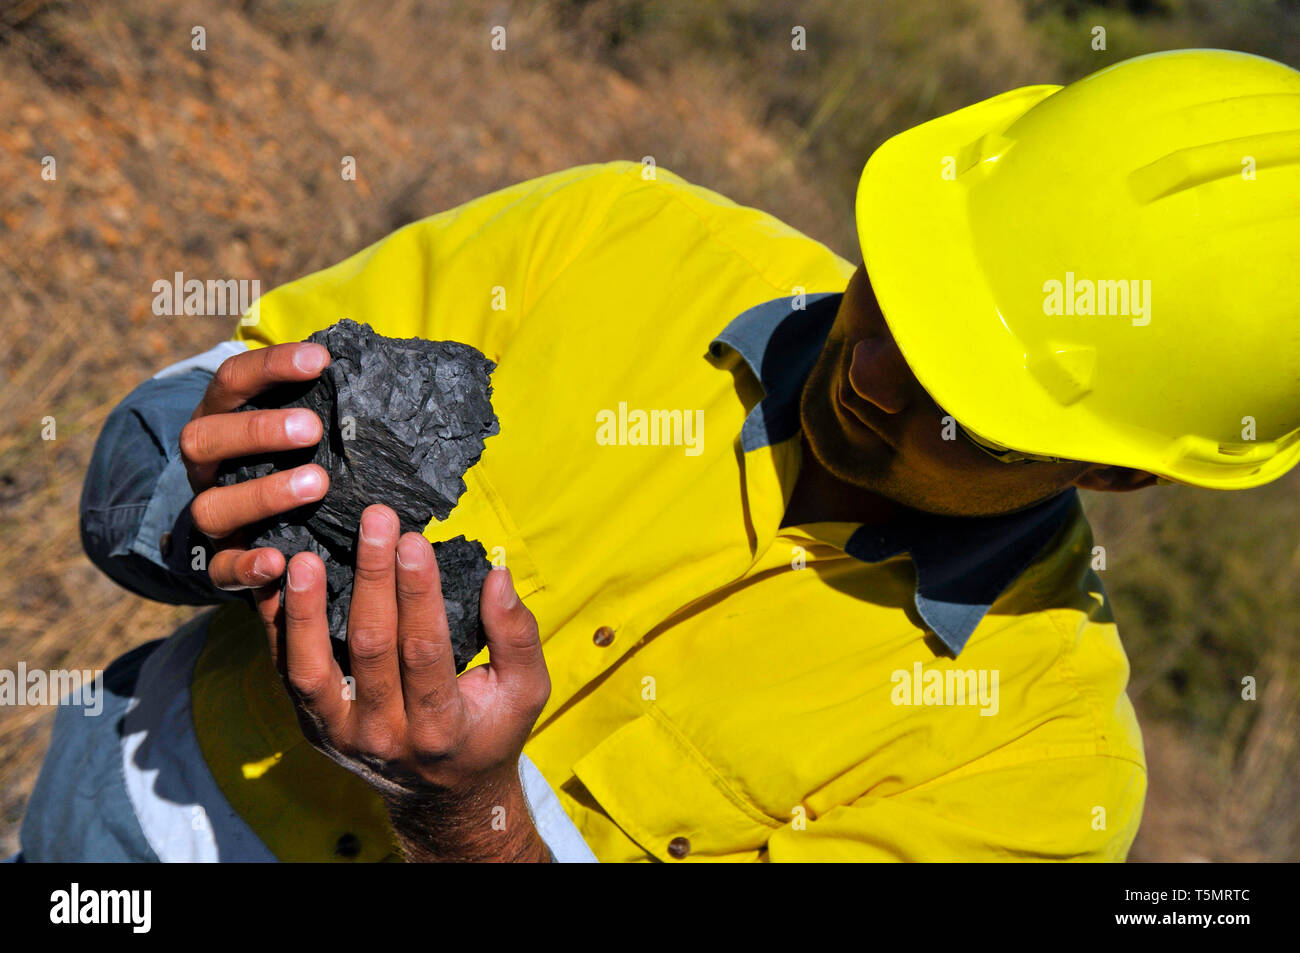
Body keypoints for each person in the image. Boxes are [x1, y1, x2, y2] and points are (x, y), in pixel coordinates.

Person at [19, 48, 1300, 862]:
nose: (869, 374)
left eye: (960, 397)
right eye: (897, 296)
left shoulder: (1033, 776)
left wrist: (468, 819)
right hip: (114, 819)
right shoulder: (618, 236)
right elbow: (167, 438)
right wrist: (190, 487)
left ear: (1132, 473)